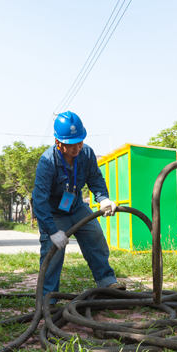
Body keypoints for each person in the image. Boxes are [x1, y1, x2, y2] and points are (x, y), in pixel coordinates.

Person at [32, 111, 124, 305]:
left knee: (95, 237)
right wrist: (52, 231)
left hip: (76, 207)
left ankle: (107, 283)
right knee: (52, 253)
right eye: (72, 144)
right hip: (54, 214)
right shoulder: (47, 162)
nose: (77, 147)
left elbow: (95, 179)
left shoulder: (87, 153)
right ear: (59, 142)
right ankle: (47, 299)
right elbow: (39, 200)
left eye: (80, 141)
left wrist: (103, 199)